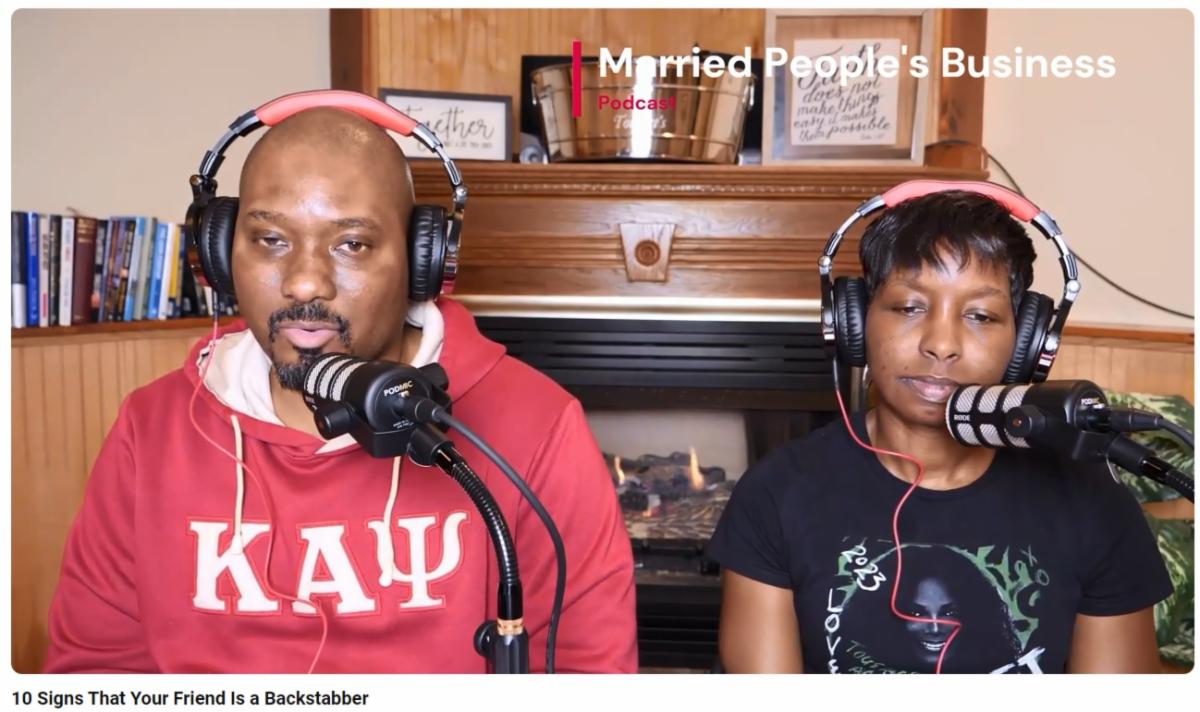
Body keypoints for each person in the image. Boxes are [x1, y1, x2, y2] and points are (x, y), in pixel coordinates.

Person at [44, 101, 638, 673]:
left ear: (422, 261)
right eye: (271, 240)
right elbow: (96, 670)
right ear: (220, 255)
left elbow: (584, 672)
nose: (305, 283)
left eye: (351, 244)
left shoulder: (536, 424)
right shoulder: (152, 428)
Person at [707, 189, 1173, 674]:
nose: (942, 344)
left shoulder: (1092, 503)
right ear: (854, 323)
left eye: (980, 316)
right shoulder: (776, 494)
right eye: (909, 307)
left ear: (1028, 344)